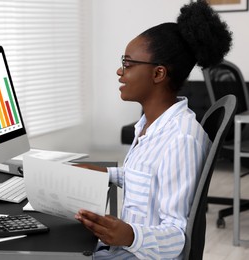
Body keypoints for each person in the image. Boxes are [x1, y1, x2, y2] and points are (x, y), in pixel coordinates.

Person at [74, 1, 232, 259]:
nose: (119, 71)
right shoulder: (151, 126)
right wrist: (107, 173)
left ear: (158, 73)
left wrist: (129, 235)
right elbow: (151, 179)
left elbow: (178, 236)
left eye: (128, 64)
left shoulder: (180, 139)